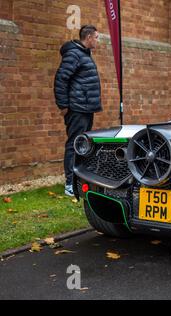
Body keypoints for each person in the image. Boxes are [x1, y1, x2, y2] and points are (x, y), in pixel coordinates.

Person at [54, 25, 102, 196]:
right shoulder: (74, 54)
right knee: (74, 144)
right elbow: (61, 79)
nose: (98, 40)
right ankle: (69, 183)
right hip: (77, 108)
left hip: (86, 108)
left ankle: (79, 180)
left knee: (82, 144)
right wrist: (64, 105)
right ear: (88, 37)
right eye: (96, 37)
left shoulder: (83, 54)